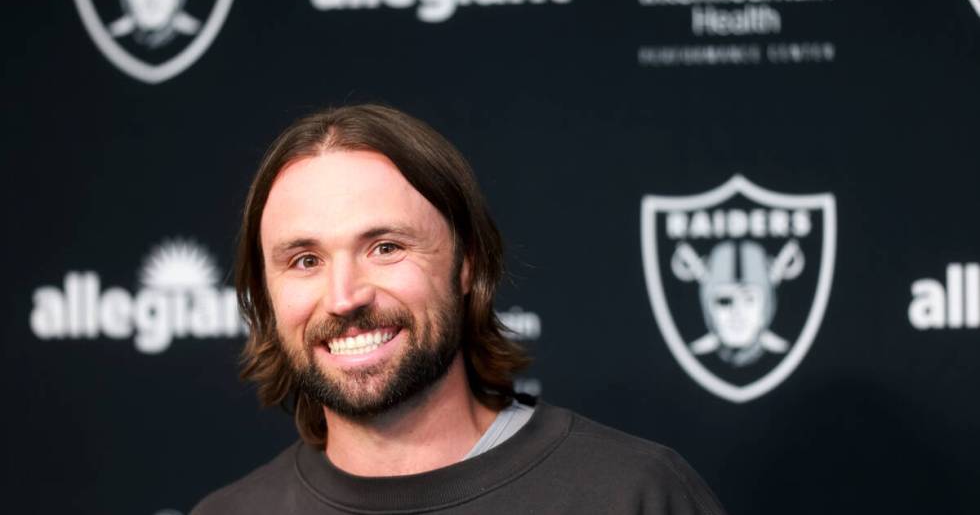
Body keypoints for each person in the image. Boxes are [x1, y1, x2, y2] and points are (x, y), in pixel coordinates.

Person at [192, 104, 728, 514]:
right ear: (264, 293)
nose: (344, 297)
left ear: (468, 262)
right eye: (305, 260)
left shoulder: (632, 495)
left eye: (386, 248)